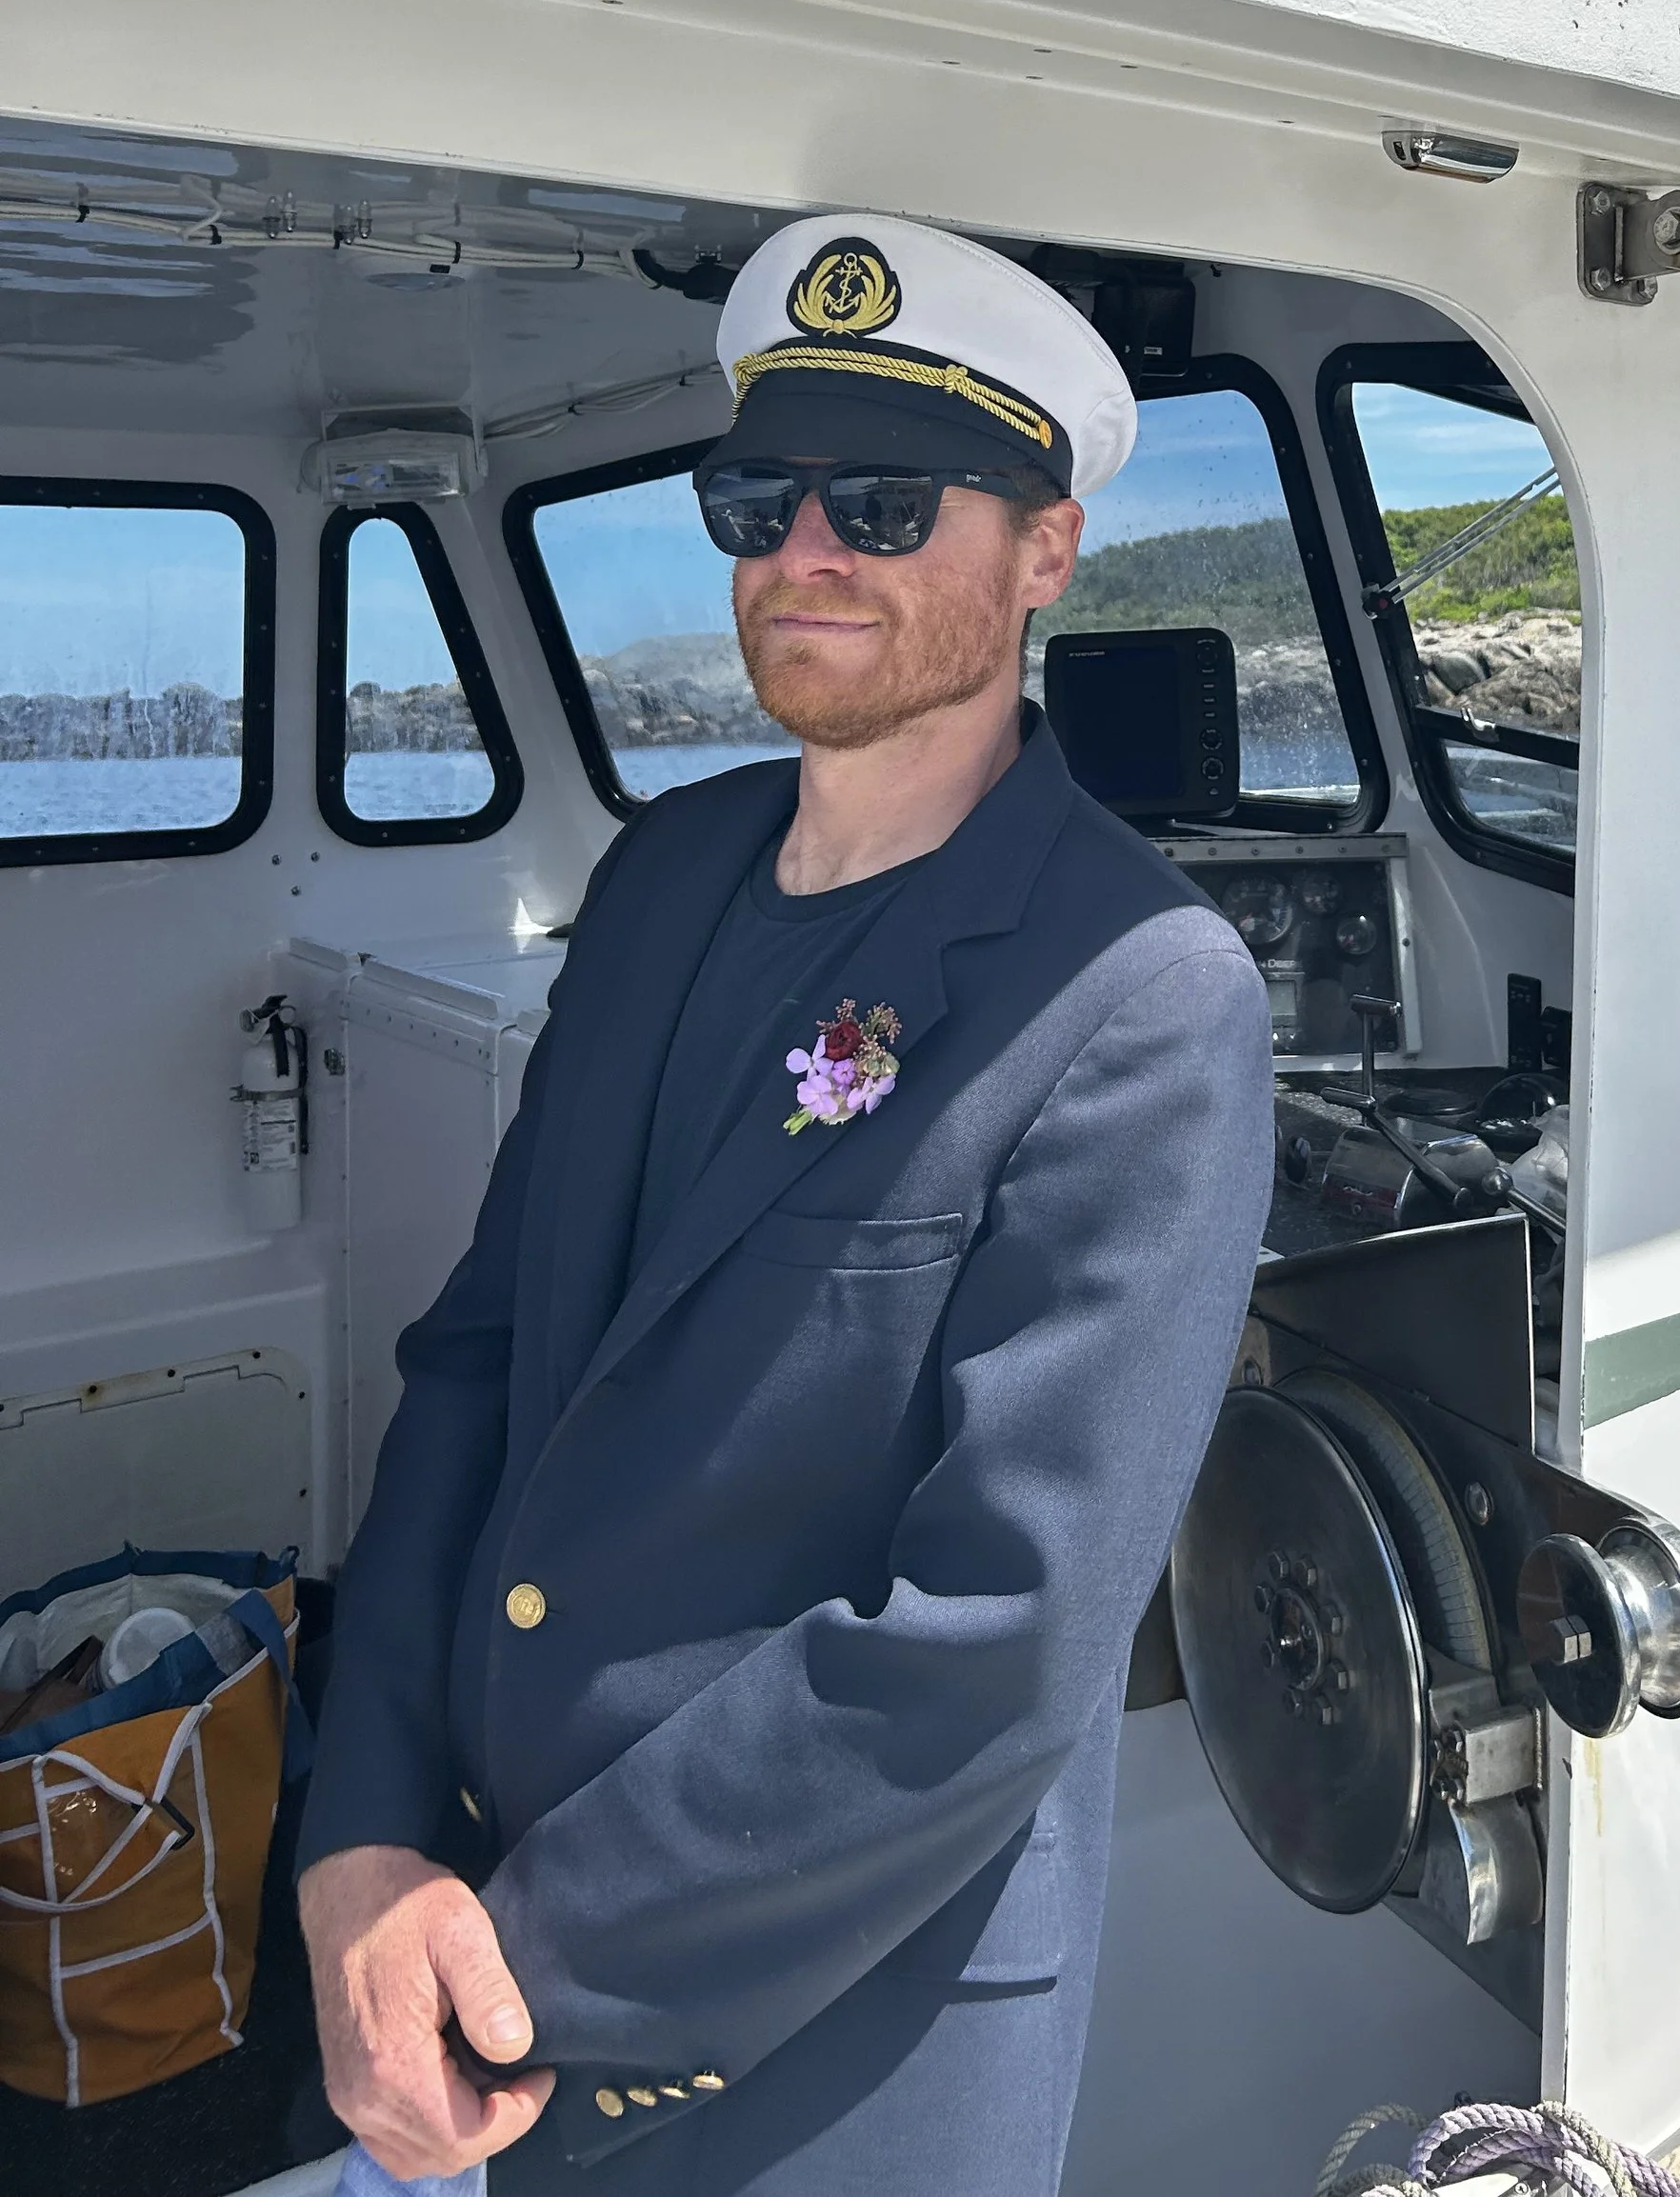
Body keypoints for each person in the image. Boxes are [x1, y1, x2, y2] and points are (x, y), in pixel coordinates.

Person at [296, 214, 1276, 2195]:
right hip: (484, 1913)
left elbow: (998, 1632)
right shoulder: (667, 876)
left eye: (891, 502)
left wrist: (513, 1964)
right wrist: (363, 1834)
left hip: (833, 2039)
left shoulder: (1140, 995)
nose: (802, 550)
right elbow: (480, 1361)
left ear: (1046, 551)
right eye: (758, 496)